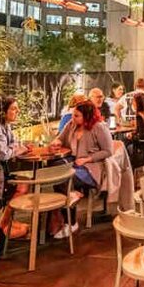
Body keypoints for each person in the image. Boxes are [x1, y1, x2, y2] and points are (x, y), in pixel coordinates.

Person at [49, 100, 114, 238]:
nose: (73, 118)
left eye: (77, 115)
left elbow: (108, 151)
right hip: (74, 162)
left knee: (65, 178)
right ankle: (72, 195)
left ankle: (70, 223)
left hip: (91, 167)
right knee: (54, 169)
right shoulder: (71, 125)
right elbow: (60, 138)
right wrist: (56, 142)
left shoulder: (99, 127)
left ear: (87, 116)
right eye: (73, 115)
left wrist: (87, 159)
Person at [0, 96, 31, 239]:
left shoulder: (5, 125)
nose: (17, 111)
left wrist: (18, 147)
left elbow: (14, 145)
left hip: (2, 170)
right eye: (13, 108)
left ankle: (4, 223)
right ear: (2, 111)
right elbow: (4, 153)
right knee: (22, 186)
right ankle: (2, 227)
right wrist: (19, 148)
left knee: (23, 184)